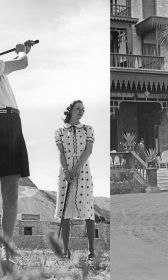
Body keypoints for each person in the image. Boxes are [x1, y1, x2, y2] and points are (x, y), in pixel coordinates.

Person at [0, 41, 33, 265]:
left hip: (9, 122)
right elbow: (22, 62)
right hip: (5, 120)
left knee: (10, 193)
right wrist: (22, 49)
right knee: (10, 193)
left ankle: (6, 250)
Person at [55, 100, 95, 260]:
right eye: (78, 108)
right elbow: (61, 153)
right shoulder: (59, 131)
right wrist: (66, 171)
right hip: (66, 171)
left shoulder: (88, 129)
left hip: (83, 170)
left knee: (88, 208)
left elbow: (88, 150)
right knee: (65, 211)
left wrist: (76, 169)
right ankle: (66, 250)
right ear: (70, 110)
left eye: (83, 109)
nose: (81, 111)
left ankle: (91, 250)